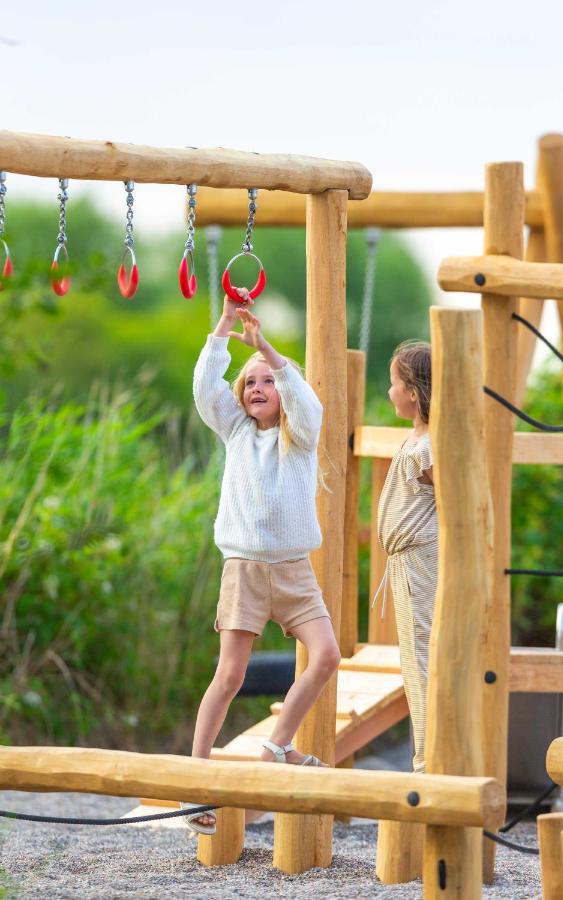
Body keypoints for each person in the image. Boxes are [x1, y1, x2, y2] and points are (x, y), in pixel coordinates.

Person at [181, 288, 341, 834]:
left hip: (294, 571)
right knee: (229, 674)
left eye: (266, 381)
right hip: (245, 569)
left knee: (326, 656)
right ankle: (194, 780)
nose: (257, 388)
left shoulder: (300, 437)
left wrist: (268, 350)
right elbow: (205, 389)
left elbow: (307, 399)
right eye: (249, 382)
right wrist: (223, 329)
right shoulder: (236, 433)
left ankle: (276, 746)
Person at [376, 340, 437, 773]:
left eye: (394, 383)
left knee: (421, 657)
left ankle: (428, 761)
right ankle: (425, 755)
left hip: (420, 560)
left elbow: (452, 499)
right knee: (411, 658)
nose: (389, 391)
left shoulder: (429, 445)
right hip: (405, 561)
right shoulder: (415, 437)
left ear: (413, 392)